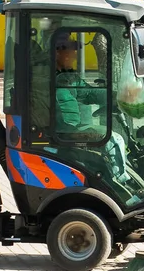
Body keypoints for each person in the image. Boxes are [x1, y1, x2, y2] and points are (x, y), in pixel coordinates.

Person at [54, 34, 129, 181]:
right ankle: (121, 181)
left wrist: (117, 97)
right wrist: (73, 132)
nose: (75, 56)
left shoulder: (67, 77)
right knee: (114, 139)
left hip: (69, 128)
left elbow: (88, 93)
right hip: (63, 131)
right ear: (57, 53)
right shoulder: (47, 78)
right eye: (71, 51)